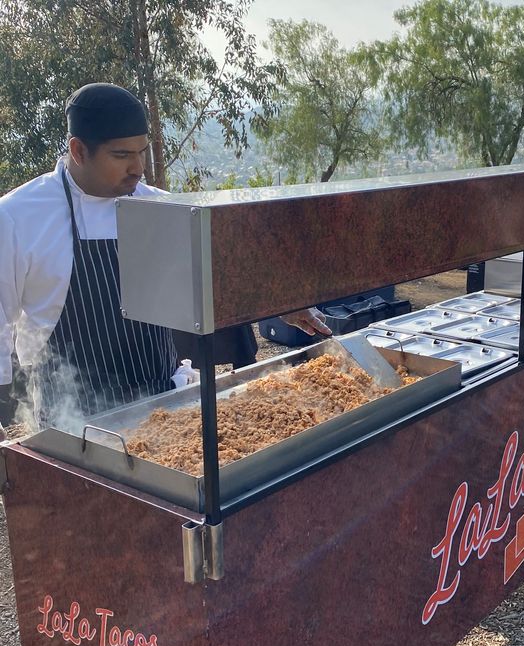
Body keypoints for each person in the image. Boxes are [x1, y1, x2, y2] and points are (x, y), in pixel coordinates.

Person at [0, 82, 329, 432]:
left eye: (142, 152)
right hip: (70, 422)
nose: (139, 167)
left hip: (163, 408)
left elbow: (215, 271)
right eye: (122, 155)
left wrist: (279, 302)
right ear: (78, 151)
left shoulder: (160, 207)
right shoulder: (19, 217)